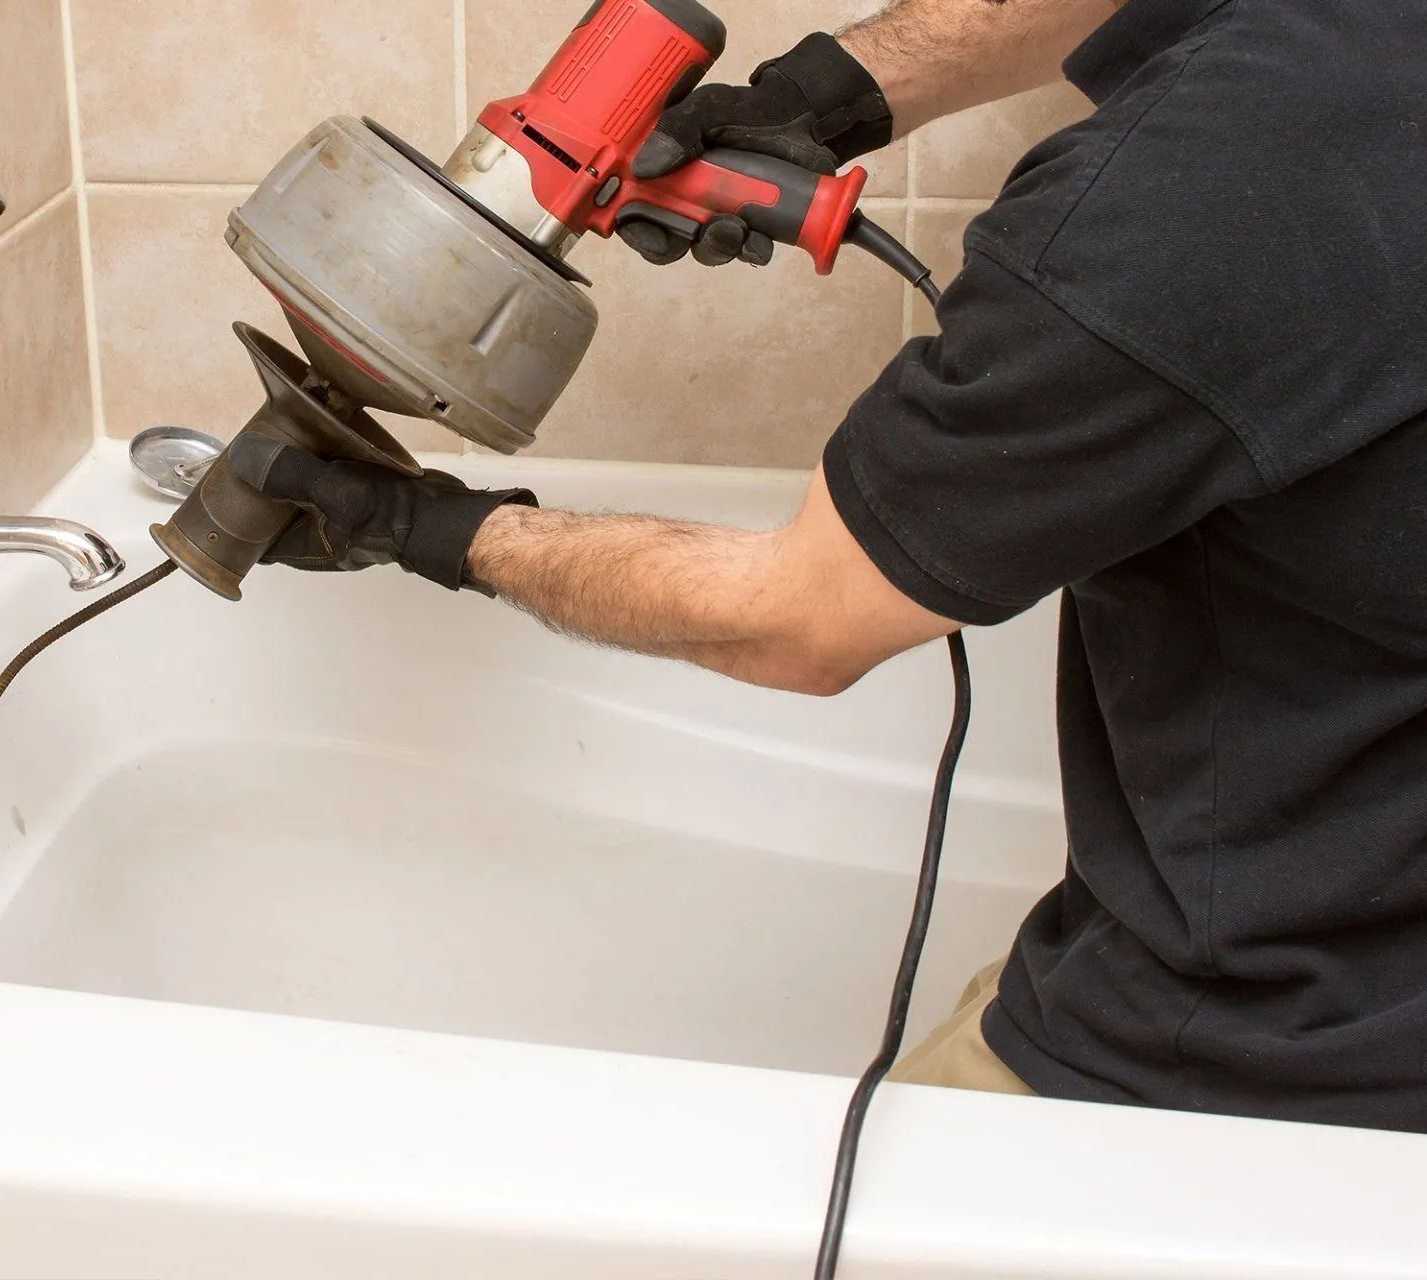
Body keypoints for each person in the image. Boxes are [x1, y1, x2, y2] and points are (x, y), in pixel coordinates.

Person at [227, 0, 1427, 1131]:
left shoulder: (1204, 196)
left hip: (1273, 1072)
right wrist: (836, 92)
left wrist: (422, 525)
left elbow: (796, 620)